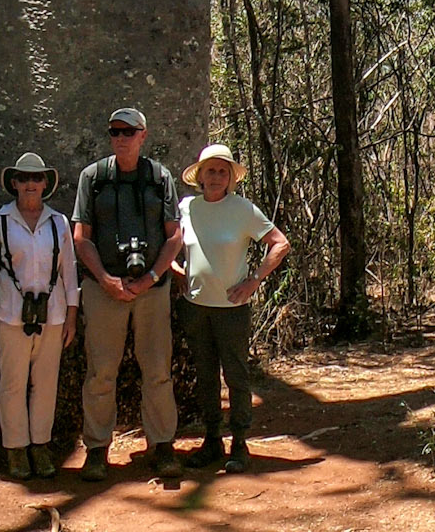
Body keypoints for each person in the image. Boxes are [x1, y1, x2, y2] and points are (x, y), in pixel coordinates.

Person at [71, 106, 183, 479]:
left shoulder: (159, 177)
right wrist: (105, 279)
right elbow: (81, 237)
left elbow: (174, 236)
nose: (120, 138)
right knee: (101, 371)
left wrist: (150, 276)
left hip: (153, 289)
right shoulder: (94, 178)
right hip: (103, 289)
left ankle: (163, 445)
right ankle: (97, 450)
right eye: (114, 132)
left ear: (143, 135)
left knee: (158, 370)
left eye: (128, 132)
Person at [176, 142, 289, 473]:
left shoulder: (243, 210)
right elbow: (167, 243)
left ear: (230, 178)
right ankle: (212, 440)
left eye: (222, 171)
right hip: (195, 307)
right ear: (199, 176)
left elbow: (280, 243)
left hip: (232, 308)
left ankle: (240, 443)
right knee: (205, 376)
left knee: (236, 375)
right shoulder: (186, 208)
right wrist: (175, 271)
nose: (215, 177)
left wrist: (254, 280)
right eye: (210, 171)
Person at [0, 151, 79, 479]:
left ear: (45, 183)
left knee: (46, 384)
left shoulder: (58, 223)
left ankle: (41, 445)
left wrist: (72, 316)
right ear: (15, 183)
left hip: (53, 314)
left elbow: (69, 272)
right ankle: (16, 449)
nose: (30, 184)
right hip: (9, 314)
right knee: (12, 383)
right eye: (24, 179)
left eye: (36, 178)